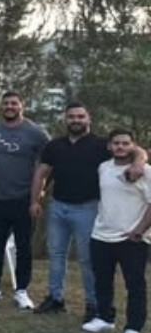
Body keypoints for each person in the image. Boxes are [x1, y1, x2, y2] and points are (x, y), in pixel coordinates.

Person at [31, 102, 145, 320]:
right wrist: (34, 200)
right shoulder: (54, 145)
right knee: (56, 255)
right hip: (58, 207)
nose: (76, 120)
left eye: (80, 116)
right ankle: (55, 298)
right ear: (66, 119)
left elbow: (136, 150)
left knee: (88, 259)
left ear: (88, 119)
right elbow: (41, 173)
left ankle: (93, 304)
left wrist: (138, 163)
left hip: (88, 208)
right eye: (72, 116)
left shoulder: (102, 145)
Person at [0, 91, 50, 309]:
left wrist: (39, 193)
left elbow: (48, 165)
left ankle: (21, 291)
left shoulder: (36, 133)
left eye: (14, 103)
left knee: (23, 247)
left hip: (24, 200)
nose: (9, 106)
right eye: (6, 103)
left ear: (21, 106)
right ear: (1, 107)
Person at [82, 129, 151, 333]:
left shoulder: (145, 171)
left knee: (135, 284)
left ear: (133, 146)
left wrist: (139, 230)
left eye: (125, 143)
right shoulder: (103, 167)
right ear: (109, 146)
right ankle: (104, 318)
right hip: (101, 234)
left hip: (132, 238)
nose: (120, 147)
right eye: (116, 143)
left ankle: (133, 328)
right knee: (102, 280)